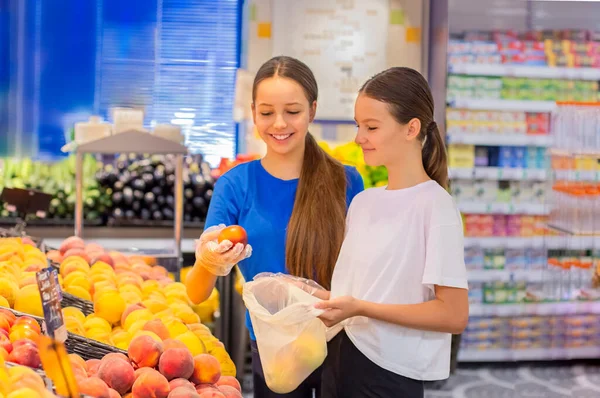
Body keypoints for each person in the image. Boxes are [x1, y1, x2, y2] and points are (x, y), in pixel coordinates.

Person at [184, 55, 364, 397]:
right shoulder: (235, 185)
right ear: (253, 113)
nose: (279, 123)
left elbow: (365, 272)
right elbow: (196, 293)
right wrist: (210, 261)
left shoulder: (346, 181)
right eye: (267, 112)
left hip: (341, 342)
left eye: (292, 111)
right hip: (273, 348)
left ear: (312, 110)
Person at [312, 67, 469, 398]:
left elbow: (453, 314)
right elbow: (366, 292)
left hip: (388, 374)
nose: (359, 137)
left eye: (371, 127)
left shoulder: (436, 206)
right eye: (358, 125)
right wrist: (319, 297)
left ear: (411, 128)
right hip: (338, 362)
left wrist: (361, 308)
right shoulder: (364, 202)